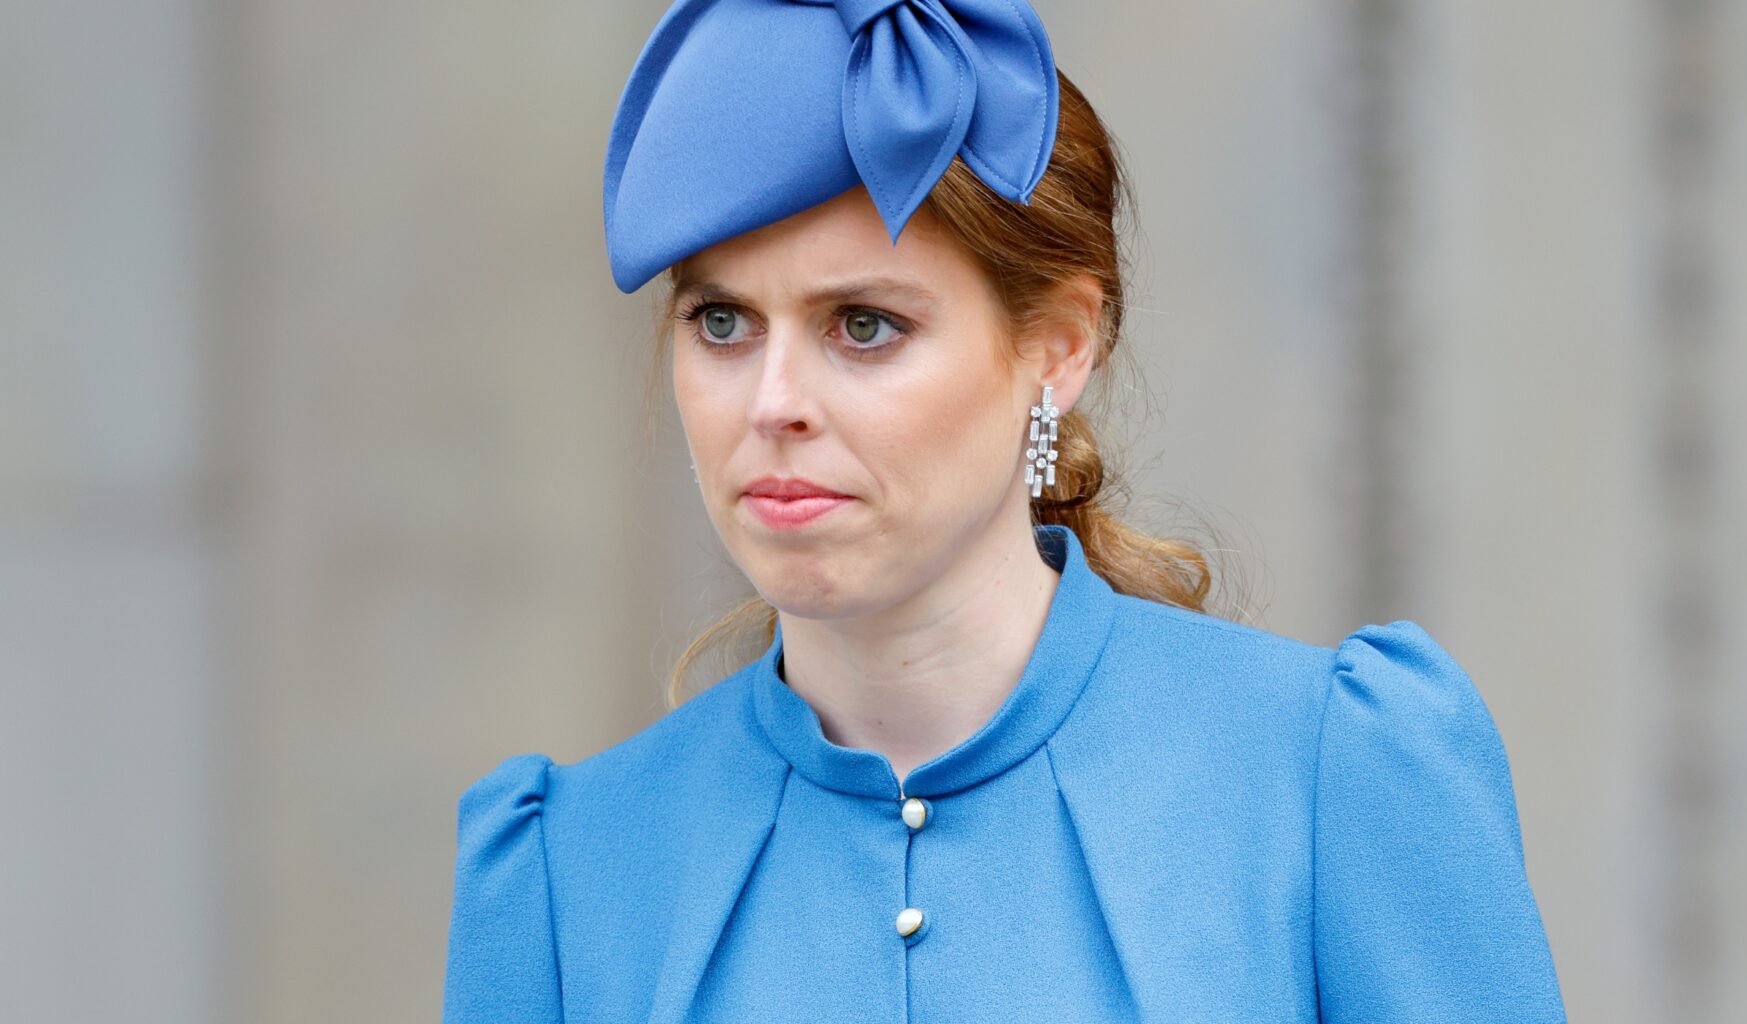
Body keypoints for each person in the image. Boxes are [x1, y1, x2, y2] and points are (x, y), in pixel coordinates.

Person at [442, 1, 1569, 1021]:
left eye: (864, 325)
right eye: (723, 323)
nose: (772, 402)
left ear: (1059, 347)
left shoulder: (1334, 779)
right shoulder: (565, 874)